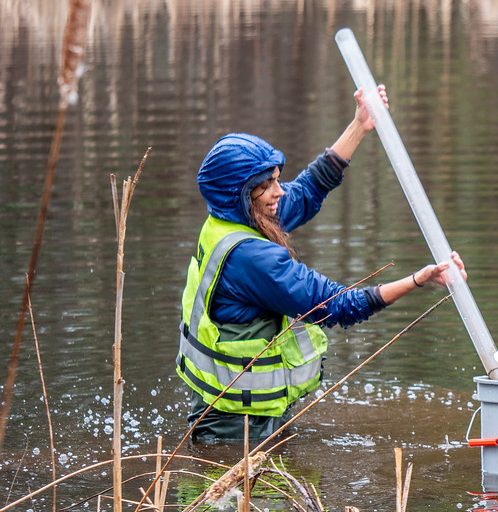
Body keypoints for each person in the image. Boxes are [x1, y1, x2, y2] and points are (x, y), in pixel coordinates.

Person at [177, 86, 466, 443]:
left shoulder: (226, 223)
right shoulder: (252, 259)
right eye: (267, 185)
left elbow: (307, 192)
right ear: (240, 194)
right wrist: (417, 281)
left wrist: (360, 125)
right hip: (238, 430)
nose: (279, 192)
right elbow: (337, 306)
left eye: (277, 179)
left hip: (226, 411)